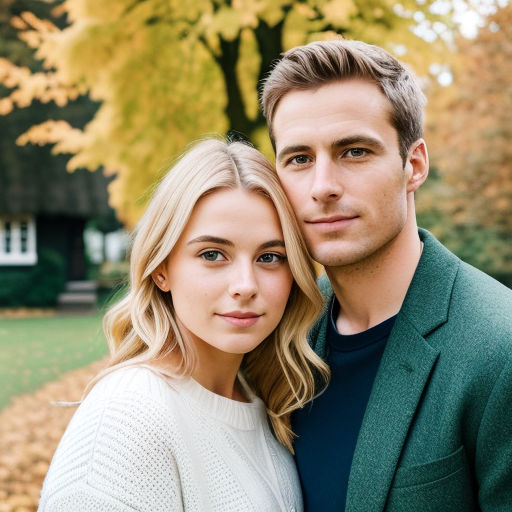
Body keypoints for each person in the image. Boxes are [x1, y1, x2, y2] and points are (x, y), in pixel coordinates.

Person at [260, 39, 512, 511]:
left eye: (353, 152)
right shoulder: (280, 332)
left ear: (413, 165)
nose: (323, 187)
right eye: (299, 159)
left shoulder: (500, 348)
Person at [37, 138, 328, 511]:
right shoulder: (128, 419)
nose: (245, 285)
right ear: (161, 269)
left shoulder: (266, 402)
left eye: (270, 257)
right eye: (212, 254)